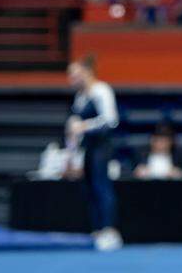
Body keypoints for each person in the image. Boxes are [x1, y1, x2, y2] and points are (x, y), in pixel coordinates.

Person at [67, 56, 122, 251]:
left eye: (74, 73)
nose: (70, 78)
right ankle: (97, 229)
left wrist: (84, 126)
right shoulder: (80, 97)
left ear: (86, 72)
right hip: (87, 146)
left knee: (101, 186)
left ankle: (110, 230)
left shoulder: (101, 90)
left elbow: (110, 119)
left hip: (102, 144)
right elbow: (72, 129)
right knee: (89, 187)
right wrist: (70, 155)